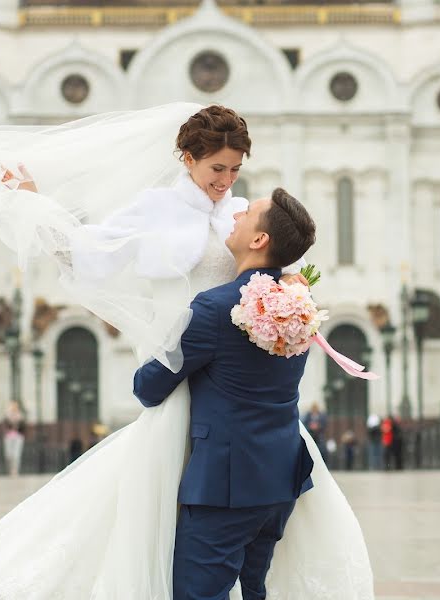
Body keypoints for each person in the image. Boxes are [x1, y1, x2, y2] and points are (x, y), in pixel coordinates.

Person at [0, 104, 374, 599]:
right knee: (166, 520)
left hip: (236, 394)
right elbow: (87, 253)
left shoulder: (243, 216)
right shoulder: (154, 209)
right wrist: (35, 207)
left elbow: (269, 270)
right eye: (217, 167)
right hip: (181, 376)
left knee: (246, 543)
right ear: (187, 157)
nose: (226, 180)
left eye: (235, 169)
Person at [133, 188, 316, 598]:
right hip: (279, 478)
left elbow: (148, 387)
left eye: (246, 213)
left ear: (259, 240)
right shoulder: (302, 306)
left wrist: (157, 333)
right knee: (253, 592)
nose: (234, 216)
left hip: (226, 486)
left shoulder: (215, 309)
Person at [2, 400, 25, 477]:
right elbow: (5, 426)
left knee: (16, 455)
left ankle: (14, 471)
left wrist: (18, 421)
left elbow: (23, 427)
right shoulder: (7, 416)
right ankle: (9, 469)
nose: (14, 408)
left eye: (15, 406)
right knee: (8, 455)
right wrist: (9, 418)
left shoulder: (20, 416)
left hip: (18, 437)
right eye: (12, 406)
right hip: (8, 437)